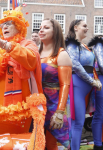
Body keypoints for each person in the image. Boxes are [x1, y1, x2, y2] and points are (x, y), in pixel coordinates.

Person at [65, 19, 102, 150]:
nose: (87, 28)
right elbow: (74, 64)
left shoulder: (83, 46)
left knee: (78, 123)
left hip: (86, 88)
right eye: (84, 26)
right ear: (75, 27)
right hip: (78, 87)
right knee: (78, 123)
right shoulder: (72, 45)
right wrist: (92, 81)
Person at [39, 18, 72, 150]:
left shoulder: (61, 54)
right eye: (40, 27)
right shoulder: (36, 52)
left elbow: (65, 85)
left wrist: (59, 112)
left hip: (56, 106)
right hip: (39, 106)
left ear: (56, 31)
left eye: (46, 28)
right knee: (41, 143)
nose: (41, 30)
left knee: (55, 144)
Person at [88, 36, 103, 150]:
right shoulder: (99, 44)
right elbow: (102, 65)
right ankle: (98, 145)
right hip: (100, 80)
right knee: (99, 114)